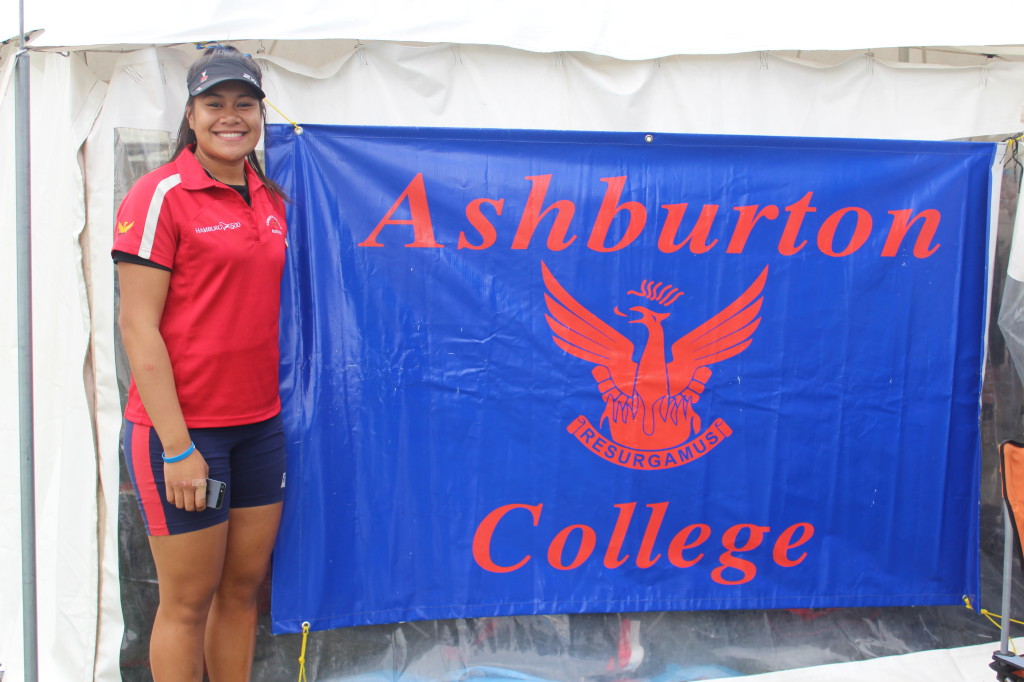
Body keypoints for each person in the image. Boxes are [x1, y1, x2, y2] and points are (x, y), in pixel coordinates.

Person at [112, 45, 290, 681]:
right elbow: (137, 326)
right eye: (214, 103)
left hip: (260, 426)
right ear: (190, 114)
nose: (230, 116)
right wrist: (178, 446)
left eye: (244, 103)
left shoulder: (269, 197)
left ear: (260, 114)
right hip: (186, 434)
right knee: (185, 604)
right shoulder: (160, 194)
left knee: (241, 592)